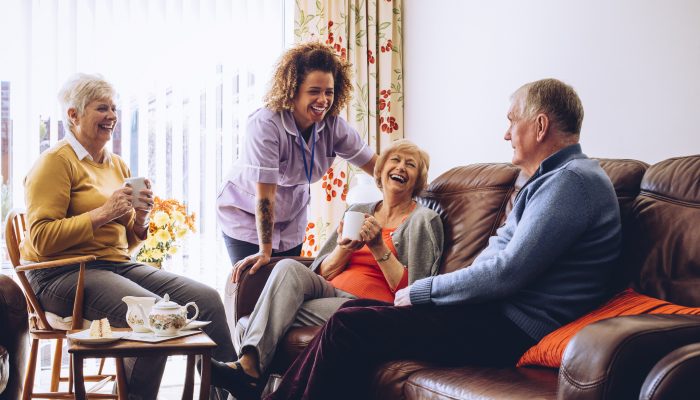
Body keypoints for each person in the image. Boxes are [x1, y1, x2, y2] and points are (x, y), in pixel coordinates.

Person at [264, 78, 623, 400]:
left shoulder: (571, 181)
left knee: (349, 325)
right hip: (490, 314)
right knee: (356, 310)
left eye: (512, 121)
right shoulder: (549, 179)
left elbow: (506, 272)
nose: (506, 133)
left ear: (540, 126)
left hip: (510, 328)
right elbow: (498, 265)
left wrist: (424, 291)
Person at [21, 73, 235, 400]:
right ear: (74, 115)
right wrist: (103, 213)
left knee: (207, 300)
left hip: (114, 265)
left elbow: (127, 242)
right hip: (60, 274)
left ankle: (231, 396)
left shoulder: (116, 164)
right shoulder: (54, 164)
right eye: (101, 108)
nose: (112, 117)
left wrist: (140, 219)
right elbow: (40, 239)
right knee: (152, 315)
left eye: (114, 109)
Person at [210, 139, 443, 399]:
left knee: (254, 321)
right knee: (288, 266)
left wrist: (378, 247)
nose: (401, 167)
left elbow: (415, 292)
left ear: (418, 179)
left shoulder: (423, 220)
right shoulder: (358, 210)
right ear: (380, 169)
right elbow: (319, 273)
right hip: (328, 292)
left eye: (410, 164)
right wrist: (345, 247)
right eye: (395, 160)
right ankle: (247, 373)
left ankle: (246, 373)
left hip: (368, 307)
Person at [216, 42, 377, 330]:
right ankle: (240, 362)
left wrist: (417, 191)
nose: (323, 100)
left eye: (328, 91)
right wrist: (265, 251)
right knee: (253, 290)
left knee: (283, 297)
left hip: (290, 219)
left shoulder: (332, 126)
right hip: (246, 214)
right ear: (292, 91)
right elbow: (265, 197)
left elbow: (376, 166)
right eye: (313, 91)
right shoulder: (266, 124)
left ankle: (271, 371)